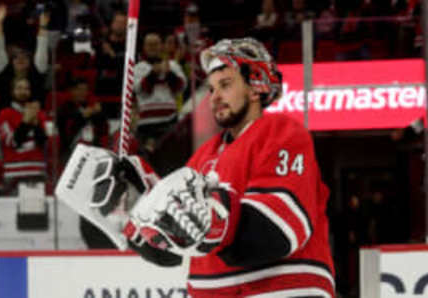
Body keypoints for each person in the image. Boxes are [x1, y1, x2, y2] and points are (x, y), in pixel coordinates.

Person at [101, 38, 334, 297]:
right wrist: (136, 208)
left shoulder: (281, 132)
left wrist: (211, 216)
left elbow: (276, 233)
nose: (215, 98)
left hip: (282, 289)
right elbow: (173, 252)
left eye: (225, 85)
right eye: (211, 89)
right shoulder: (203, 155)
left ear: (255, 88)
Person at [0, 77, 47, 195]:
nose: (23, 91)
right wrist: (25, 121)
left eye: (26, 88)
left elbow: (42, 142)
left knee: (37, 211)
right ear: (12, 91)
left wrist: (35, 122)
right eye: (19, 88)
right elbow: (13, 142)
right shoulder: (5, 114)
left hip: (36, 170)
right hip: (14, 172)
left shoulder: (39, 113)